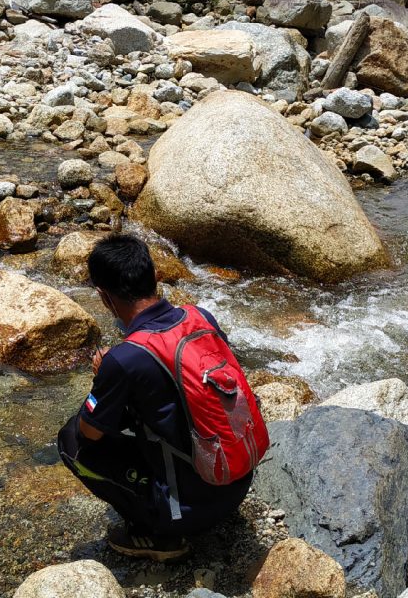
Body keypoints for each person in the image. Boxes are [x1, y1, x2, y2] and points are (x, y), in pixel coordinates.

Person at [57, 234, 265, 562]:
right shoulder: (200, 318)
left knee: (71, 440)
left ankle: (158, 536)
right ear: (155, 278)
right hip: (237, 482)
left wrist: (105, 378)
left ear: (103, 296)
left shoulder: (124, 359)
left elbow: (90, 432)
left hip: (190, 513)